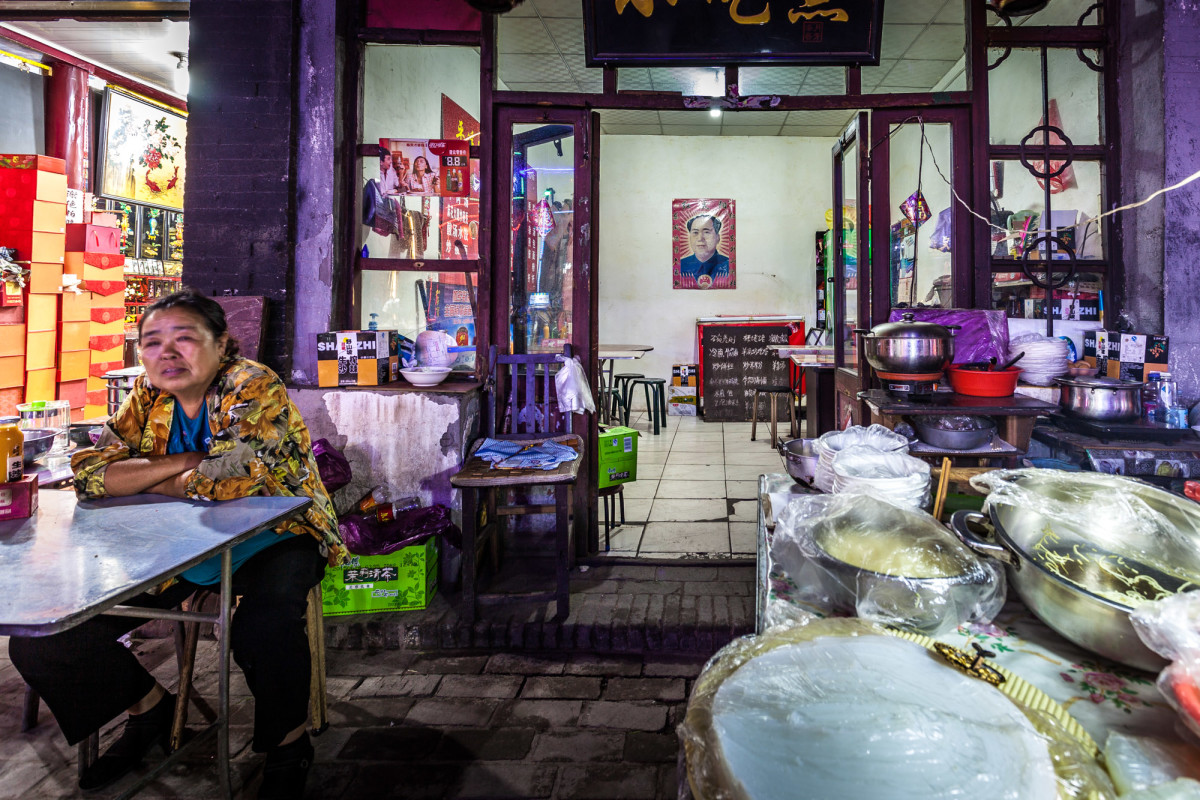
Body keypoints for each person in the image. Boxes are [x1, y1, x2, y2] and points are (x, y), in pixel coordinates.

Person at [9, 289, 346, 799]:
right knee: (46, 638)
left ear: (222, 344)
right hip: (176, 544)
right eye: (152, 342)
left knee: (263, 624)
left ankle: (288, 743)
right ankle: (150, 709)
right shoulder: (146, 396)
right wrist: (186, 465)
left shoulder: (252, 384)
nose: (167, 353)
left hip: (277, 535)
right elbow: (90, 474)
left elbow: (234, 480)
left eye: (185, 339)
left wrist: (145, 477)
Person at [678, 213, 731, 289]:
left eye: (706, 232)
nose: (700, 238)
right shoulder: (680, 266)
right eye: (695, 232)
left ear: (718, 238)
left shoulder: (729, 265)